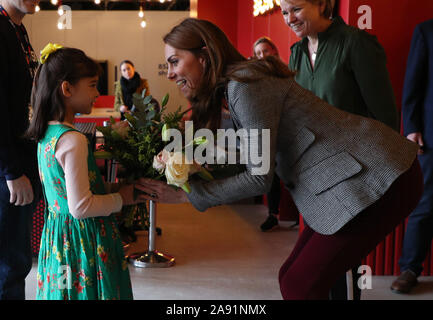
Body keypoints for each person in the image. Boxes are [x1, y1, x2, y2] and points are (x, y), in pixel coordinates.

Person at [137, 18, 423, 300]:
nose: (170, 73)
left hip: (379, 176)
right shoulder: (240, 84)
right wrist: (192, 161)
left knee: (300, 284)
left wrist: (187, 196)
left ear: (204, 56)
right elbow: (250, 150)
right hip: (358, 177)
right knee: (292, 279)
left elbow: (259, 176)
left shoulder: (245, 85)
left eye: (175, 61)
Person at [282, 0, 399, 300]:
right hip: (314, 171)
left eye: (295, 8)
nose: (289, 18)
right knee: (323, 264)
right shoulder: (295, 52)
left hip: (355, 170)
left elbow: (385, 117)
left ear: (322, 3)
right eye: (284, 11)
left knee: (343, 257)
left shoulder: (356, 44)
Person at [26, 44, 148, 300]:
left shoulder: (47, 134)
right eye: (92, 85)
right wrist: (122, 198)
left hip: (58, 236)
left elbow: (67, 191)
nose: (97, 93)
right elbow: (81, 207)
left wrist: (116, 188)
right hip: (82, 239)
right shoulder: (73, 140)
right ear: (67, 89)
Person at [0, 0, 41, 300]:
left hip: (20, 162)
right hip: (8, 172)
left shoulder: (17, 30)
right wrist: (12, 171)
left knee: (16, 261)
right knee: (10, 264)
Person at [391, 18, 433, 294]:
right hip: (431, 136)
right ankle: (410, 269)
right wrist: (412, 127)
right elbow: (413, 84)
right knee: (425, 204)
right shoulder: (427, 31)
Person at [252, 37, 299, 232]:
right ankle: (273, 214)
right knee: (269, 173)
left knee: (292, 174)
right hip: (268, 129)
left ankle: (300, 216)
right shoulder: (256, 76)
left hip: (289, 128)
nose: (262, 56)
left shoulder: (287, 73)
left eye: (265, 51)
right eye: (258, 53)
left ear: (274, 50)